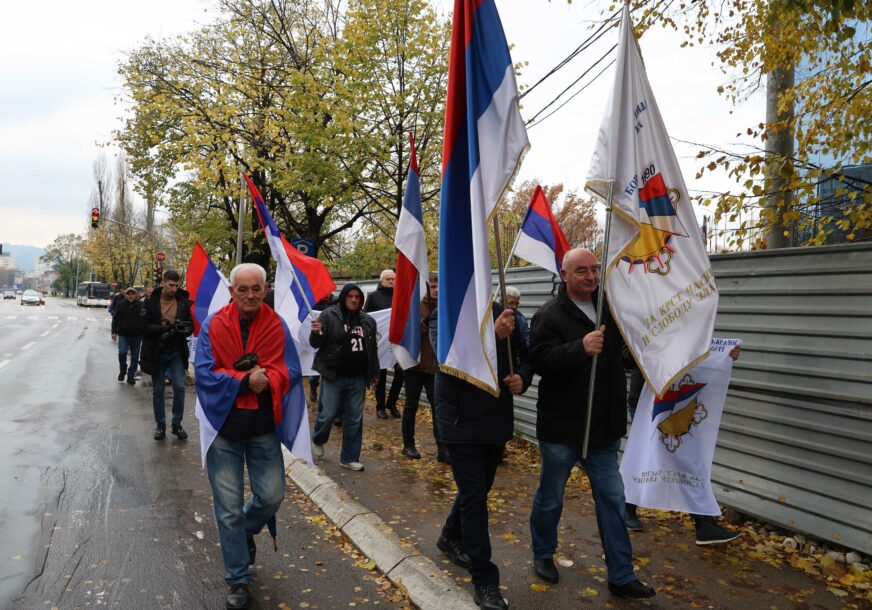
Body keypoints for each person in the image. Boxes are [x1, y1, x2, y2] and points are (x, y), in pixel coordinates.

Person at [527, 247, 655, 599]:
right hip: (562, 427)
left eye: (595, 270)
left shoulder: (610, 310)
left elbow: (628, 354)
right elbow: (538, 360)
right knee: (551, 497)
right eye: (582, 271)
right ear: (565, 274)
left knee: (613, 500)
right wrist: (579, 348)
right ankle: (542, 553)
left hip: (602, 429)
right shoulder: (549, 315)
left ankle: (621, 574)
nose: (591, 277)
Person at [194, 263, 292, 610]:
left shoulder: (277, 324)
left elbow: (289, 368)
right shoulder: (214, 324)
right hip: (224, 429)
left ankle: (244, 533)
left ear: (265, 290)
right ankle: (238, 580)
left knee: (271, 497)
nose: (250, 295)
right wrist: (243, 381)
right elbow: (204, 373)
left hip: (263, 428)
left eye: (256, 289)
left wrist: (272, 377)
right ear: (232, 291)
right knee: (228, 511)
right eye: (243, 289)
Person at [430, 302, 533, 610]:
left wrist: (523, 378)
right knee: (475, 495)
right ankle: (484, 580)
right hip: (459, 422)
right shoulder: (444, 311)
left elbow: (526, 356)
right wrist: (489, 336)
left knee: (477, 490)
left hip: (495, 419)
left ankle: (450, 536)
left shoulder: (503, 310)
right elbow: (446, 360)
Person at [624, 348, 743, 544]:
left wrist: (723, 355)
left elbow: (697, 346)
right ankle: (626, 507)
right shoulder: (649, 320)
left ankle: (703, 524)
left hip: (681, 397)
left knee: (687, 460)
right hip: (650, 400)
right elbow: (627, 356)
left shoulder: (695, 319)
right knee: (644, 457)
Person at [309, 284, 379, 471]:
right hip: (334, 375)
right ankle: (318, 438)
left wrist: (374, 372)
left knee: (355, 419)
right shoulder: (329, 316)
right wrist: (315, 332)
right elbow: (316, 343)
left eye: (357, 296)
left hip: (357, 377)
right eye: (350, 296)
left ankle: (349, 457)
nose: (354, 299)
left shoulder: (368, 321)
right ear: (343, 297)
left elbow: (372, 349)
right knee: (328, 414)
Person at [140, 270, 194, 441]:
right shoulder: (150, 303)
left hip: (177, 349)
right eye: (171, 285)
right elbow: (142, 325)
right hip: (157, 349)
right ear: (162, 283)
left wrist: (183, 330)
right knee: (158, 390)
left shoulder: (183, 302)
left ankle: (177, 424)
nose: (174, 288)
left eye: (177, 285)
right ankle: (160, 426)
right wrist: (162, 329)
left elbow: (191, 325)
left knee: (179, 387)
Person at [400, 272, 446, 461]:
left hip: (437, 368)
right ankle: (408, 444)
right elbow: (408, 331)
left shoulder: (445, 306)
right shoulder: (416, 306)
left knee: (439, 408)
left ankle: (442, 448)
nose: (436, 290)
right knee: (411, 405)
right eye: (432, 286)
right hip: (415, 366)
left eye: (438, 287)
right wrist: (427, 323)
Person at [364, 269, 403, 419]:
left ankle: (391, 402)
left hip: (397, 339)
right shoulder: (373, 296)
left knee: (401, 370)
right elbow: (366, 316)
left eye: (393, 279)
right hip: (380, 340)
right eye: (388, 279)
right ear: (381, 281)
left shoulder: (399, 296)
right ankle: (380, 407)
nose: (392, 281)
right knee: (380, 373)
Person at [111, 287, 144, 385]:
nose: (130, 296)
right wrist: (114, 331)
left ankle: (130, 375)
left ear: (136, 295)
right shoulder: (121, 305)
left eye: (132, 294)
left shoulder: (141, 305)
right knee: (122, 353)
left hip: (137, 335)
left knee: (134, 357)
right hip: (123, 334)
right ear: (126, 295)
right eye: (128, 294)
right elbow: (115, 318)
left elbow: (145, 318)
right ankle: (122, 371)